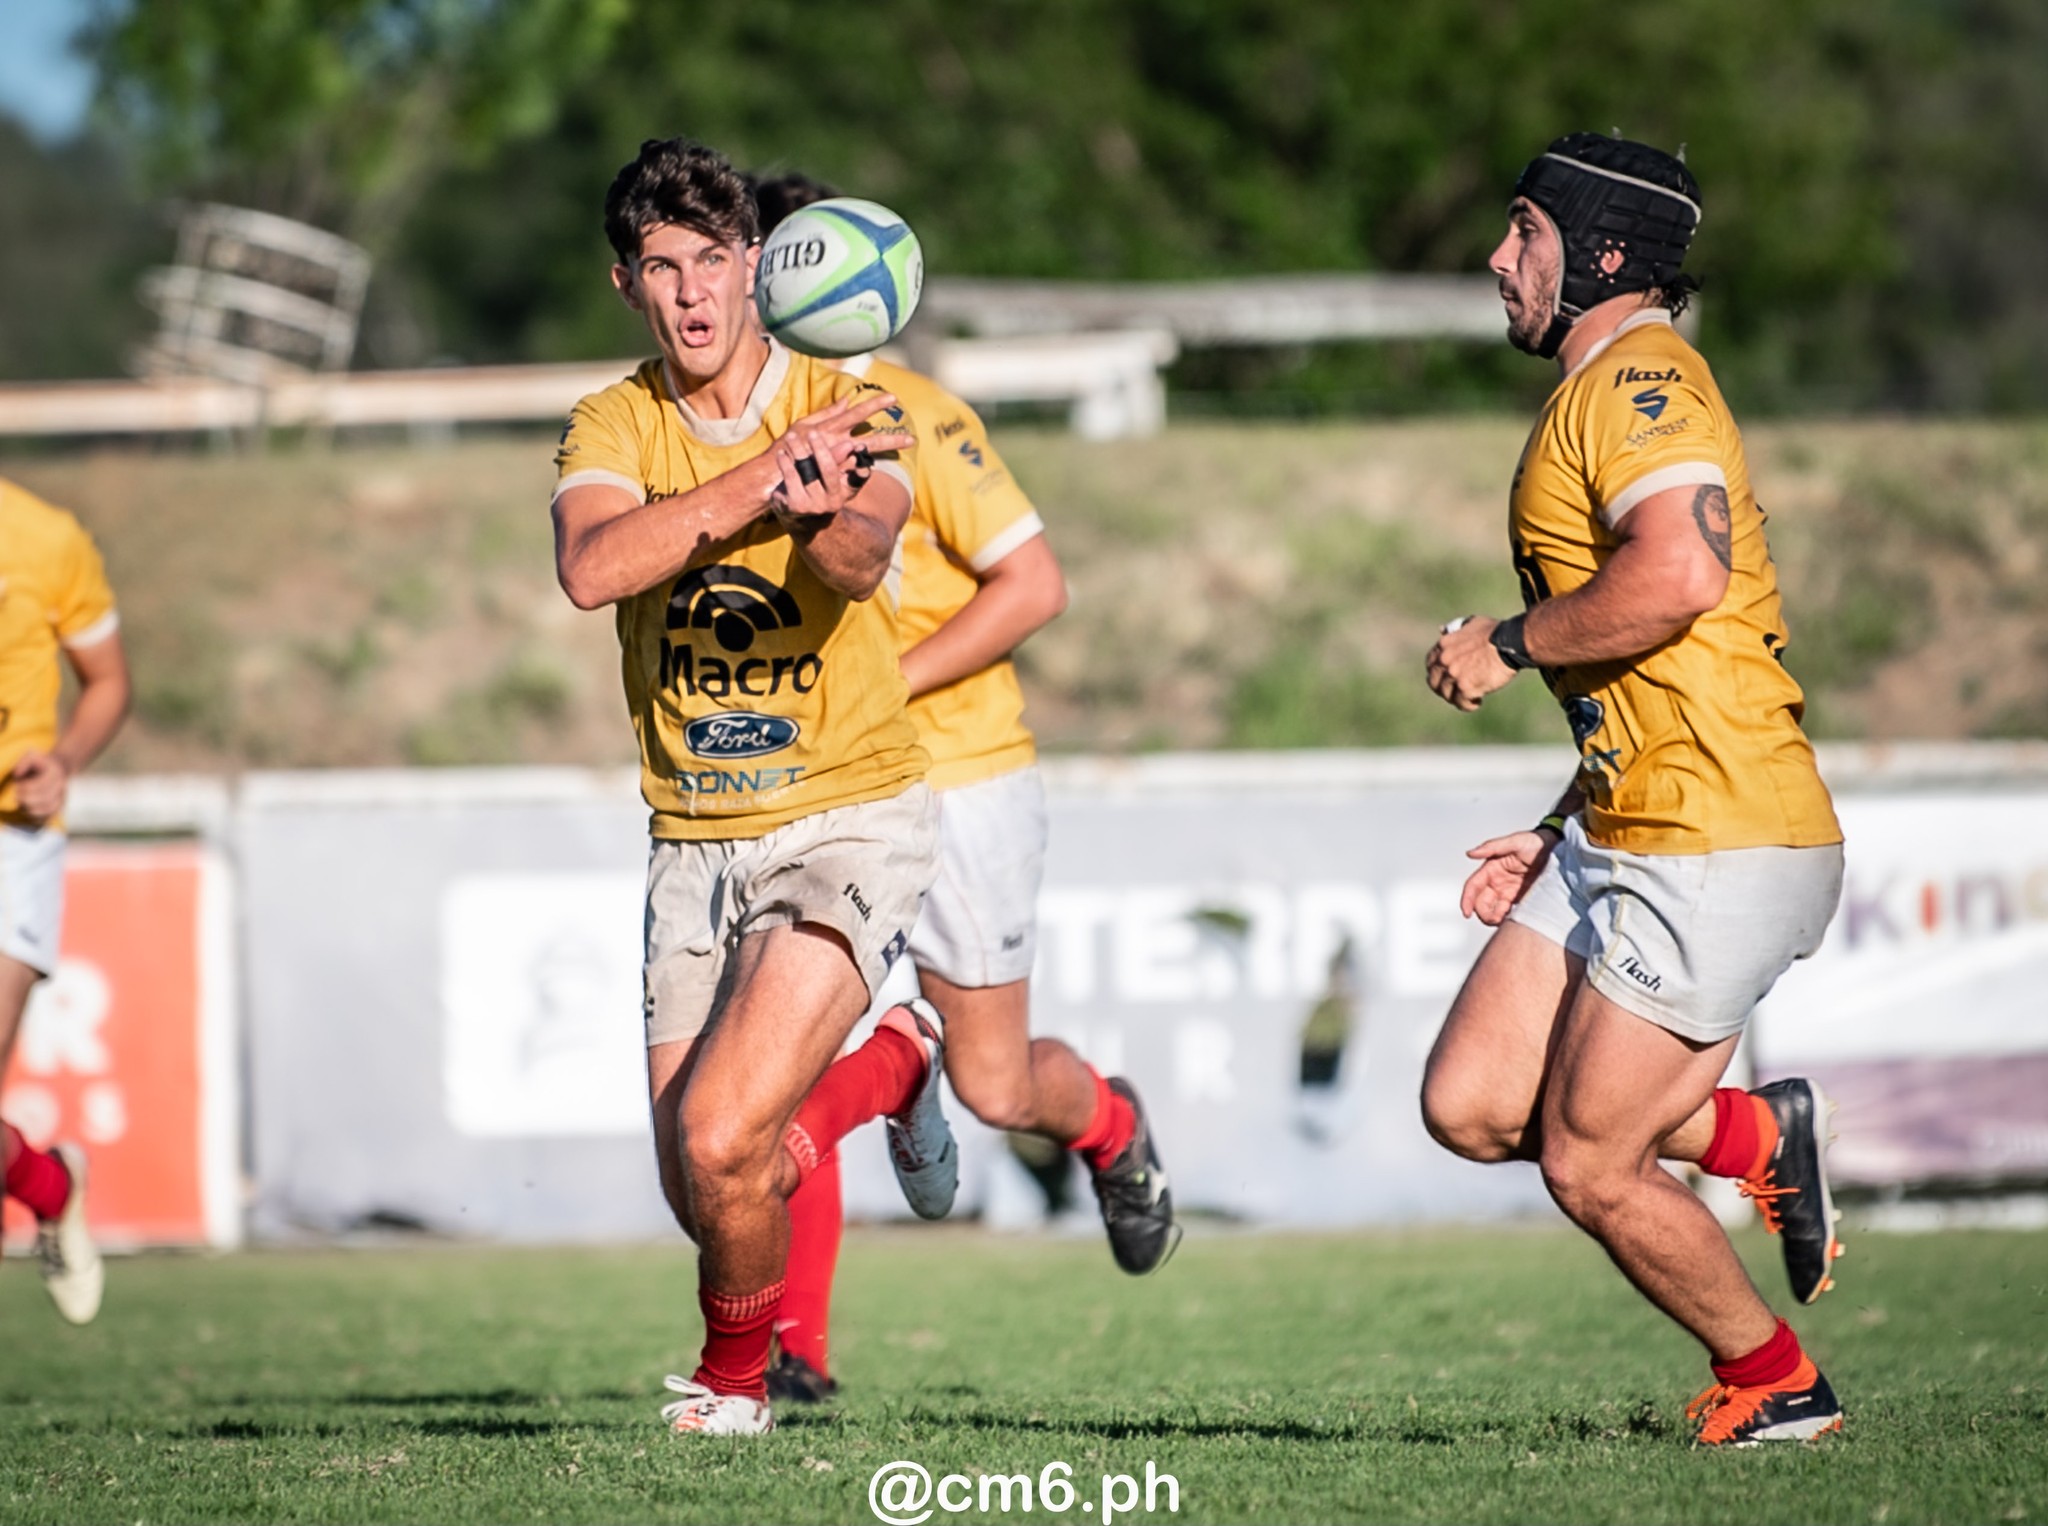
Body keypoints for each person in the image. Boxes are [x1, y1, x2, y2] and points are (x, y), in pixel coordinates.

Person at [1420, 134, 1848, 1447]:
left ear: (1601, 250)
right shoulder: (1598, 386)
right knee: (1472, 1102)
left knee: (1590, 1158)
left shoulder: (1643, 379)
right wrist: (1559, 823)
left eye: (1524, 230)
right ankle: (1749, 1137)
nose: (1498, 258)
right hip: (1627, 820)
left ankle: (1777, 1382)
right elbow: (1647, 656)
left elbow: (1677, 575)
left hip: (1716, 830)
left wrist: (1504, 641)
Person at [749, 173, 1179, 1405]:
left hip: (961, 777)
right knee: (782, 1066)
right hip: (819, 788)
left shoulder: (915, 417)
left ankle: (1107, 1124)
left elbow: (1033, 585)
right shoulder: (737, 437)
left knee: (995, 1086)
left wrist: (883, 684)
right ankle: (796, 1353)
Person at [551, 137, 957, 1438]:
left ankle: (735, 1386)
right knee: (708, 1185)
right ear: (626, 283)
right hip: (693, 836)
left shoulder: (851, 401)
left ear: (753, 266)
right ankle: (896, 1061)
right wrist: (760, 486)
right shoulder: (612, 422)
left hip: (849, 812)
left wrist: (819, 504)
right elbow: (593, 567)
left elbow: (859, 557)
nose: (691, 293)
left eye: (712, 261)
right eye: (661, 267)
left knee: (728, 1133)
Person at [1, 476, 131, 1325]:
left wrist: (65, 762)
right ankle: (51, 1185)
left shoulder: (45, 539)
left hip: (11, 835)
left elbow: (108, 681)